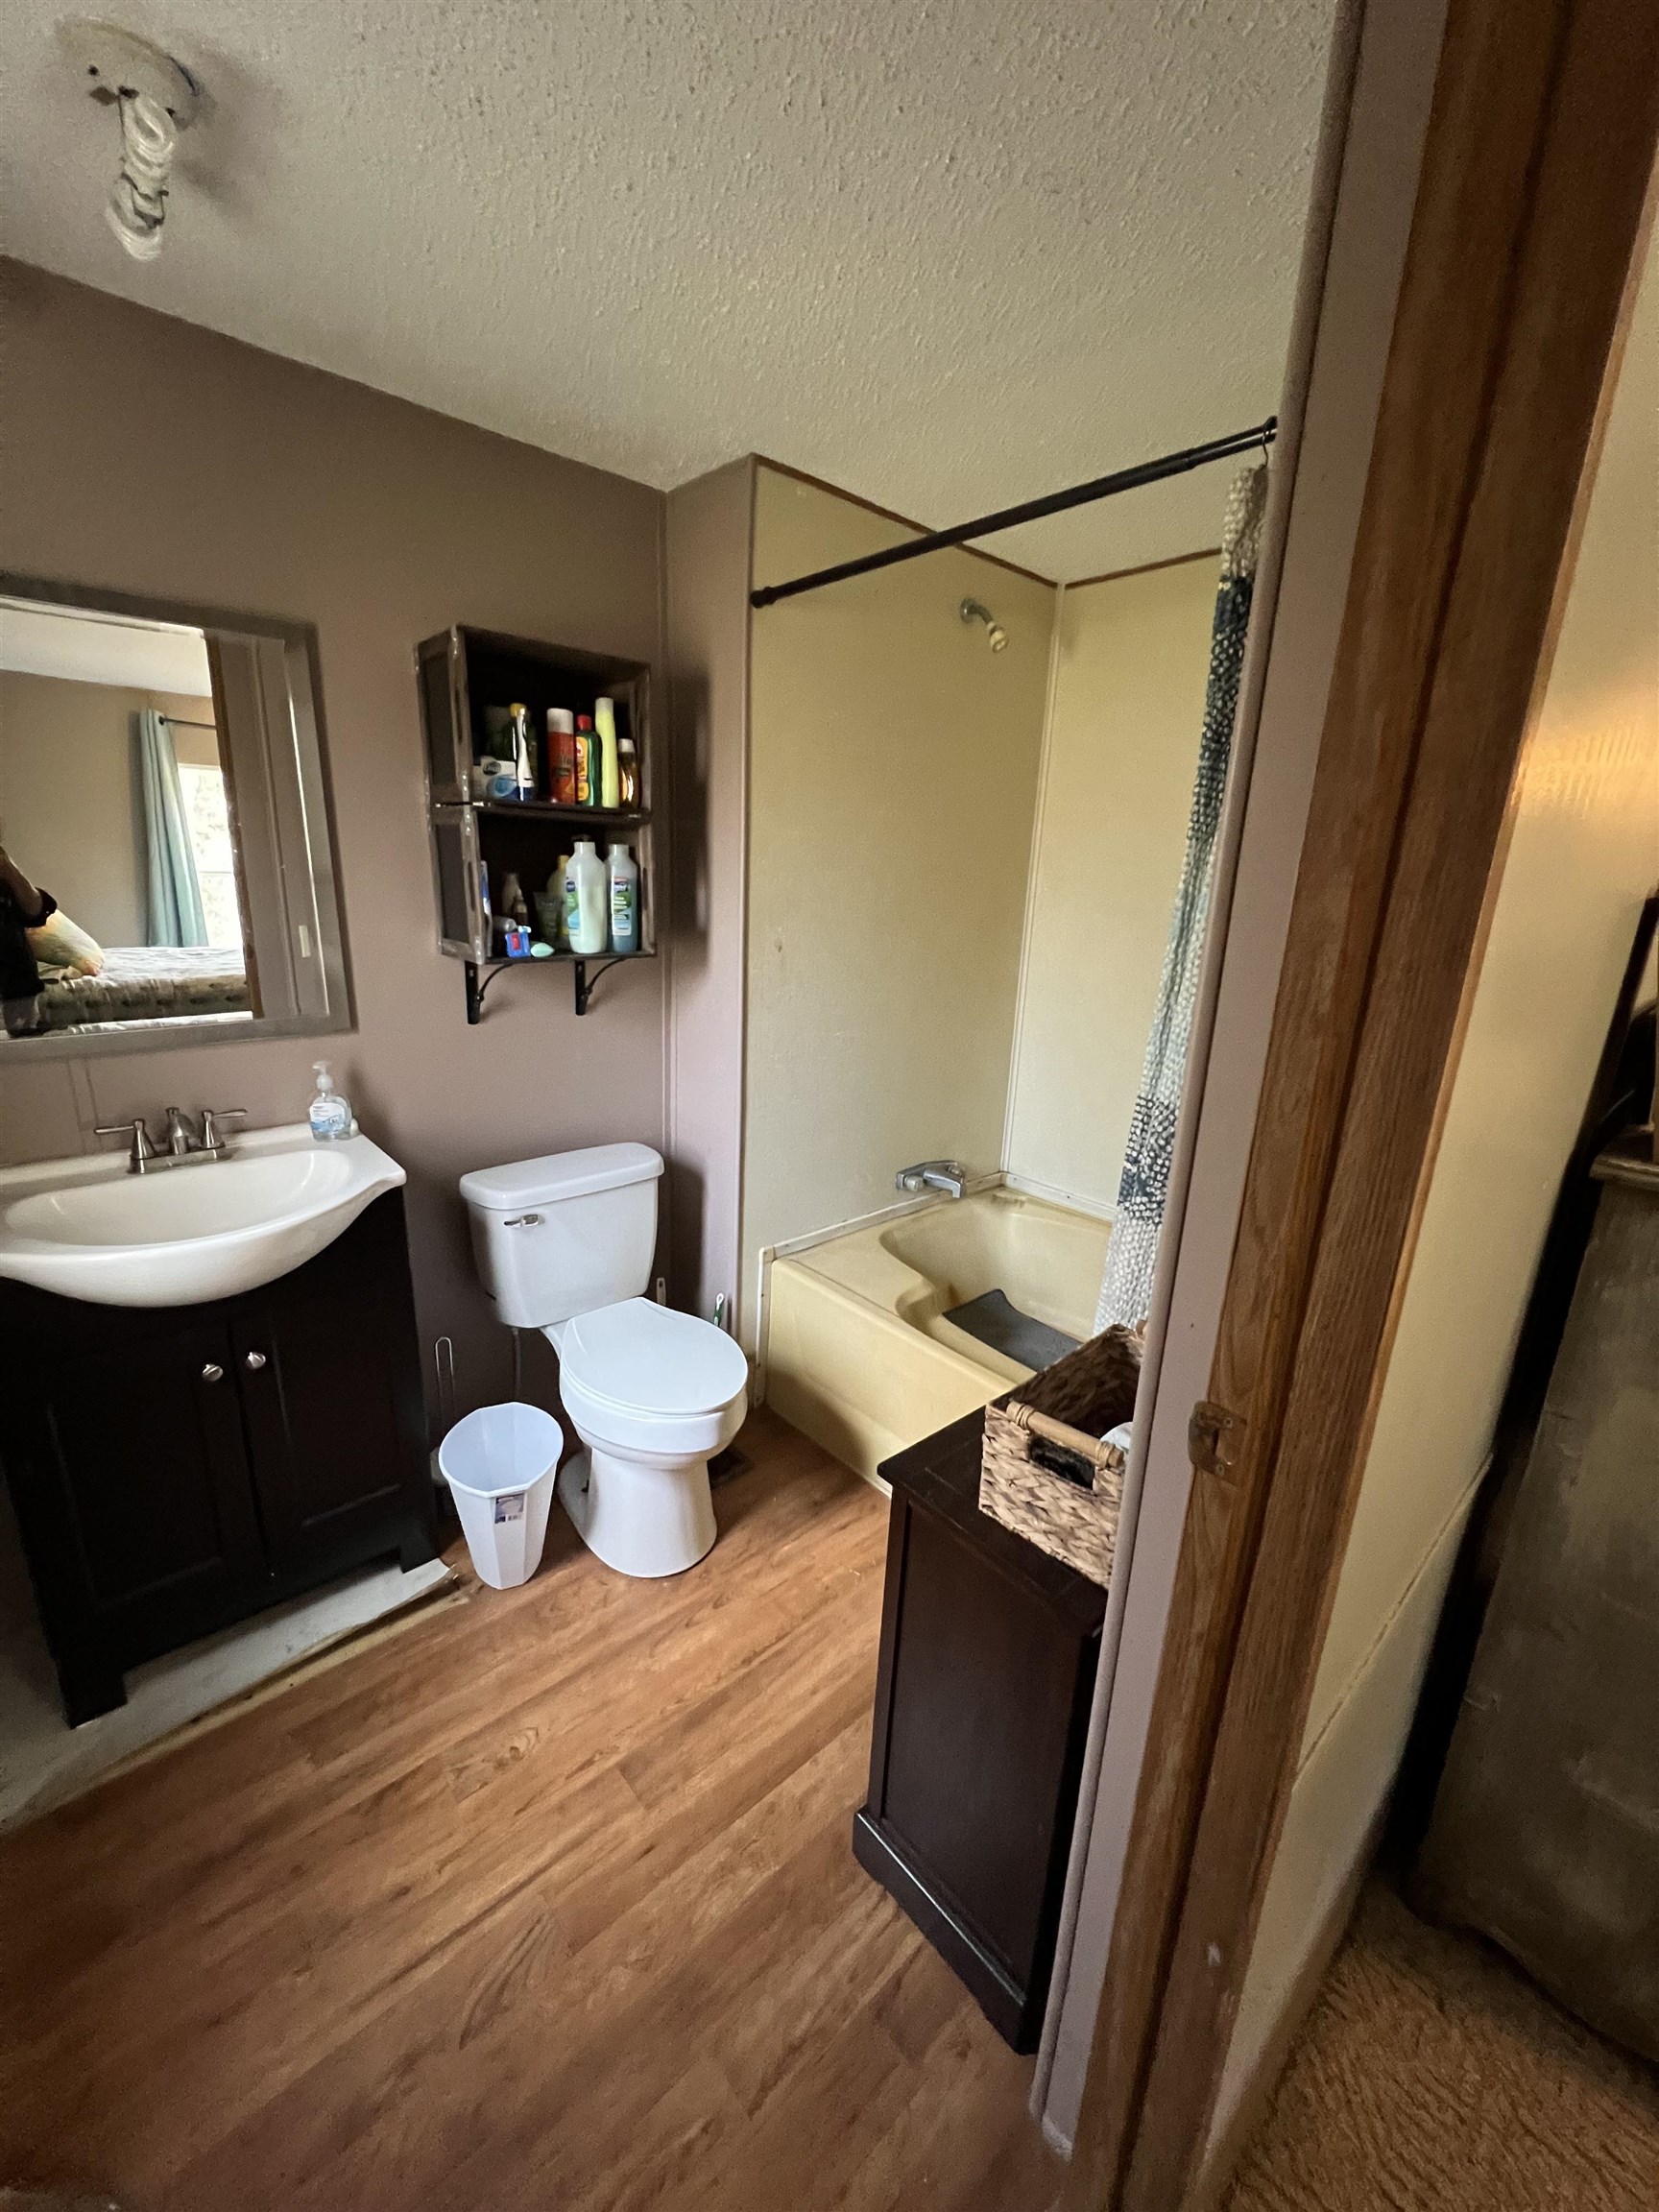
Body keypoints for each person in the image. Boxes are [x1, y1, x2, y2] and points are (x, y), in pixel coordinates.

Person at [0, 840, 56, 1038]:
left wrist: (10, 871)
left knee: (28, 1060)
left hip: (20, 989)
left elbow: (35, 911)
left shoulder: (4, 875)